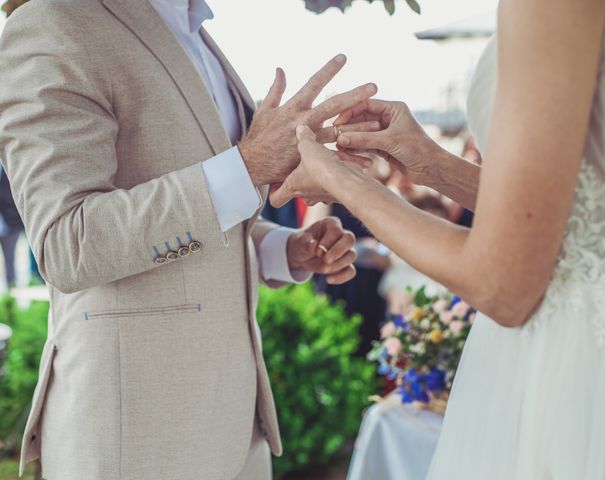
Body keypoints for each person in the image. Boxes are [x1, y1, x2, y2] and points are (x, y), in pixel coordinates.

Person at [0, 0, 378, 479]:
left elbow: (208, 215)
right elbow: (69, 242)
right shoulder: (53, 22)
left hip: (238, 428)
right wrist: (247, 166)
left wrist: (283, 249)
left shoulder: (194, 30)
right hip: (134, 438)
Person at [271, 0, 605, 478]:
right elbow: (589, 214)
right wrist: (431, 165)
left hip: (584, 356)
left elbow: (502, 287)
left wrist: (343, 181)